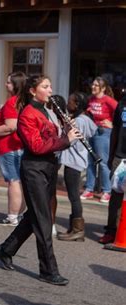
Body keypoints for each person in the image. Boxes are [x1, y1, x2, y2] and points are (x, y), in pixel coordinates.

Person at [0, 75, 82, 286]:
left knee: (34, 215)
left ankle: (6, 248)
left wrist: (67, 130)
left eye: (50, 85)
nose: (50, 90)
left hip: (50, 167)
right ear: (33, 91)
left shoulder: (49, 110)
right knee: (43, 220)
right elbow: (37, 146)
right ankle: (48, 270)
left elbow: (52, 137)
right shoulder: (27, 114)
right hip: (34, 168)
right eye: (45, 86)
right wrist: (65, 140)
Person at [0, 72, 27, 226]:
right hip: (19, 146)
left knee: (13, 182)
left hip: (9, 147)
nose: (6, 84)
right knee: (20, 182)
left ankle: (12, 216)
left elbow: (10, 127)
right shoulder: (23, 101)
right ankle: (19, 215)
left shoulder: (12, 102)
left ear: (16, 85)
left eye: (9, 82)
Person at [56, 92, 97, 242]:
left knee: (74, 197)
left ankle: (78, 230)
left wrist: (65, 130)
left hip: (73, 160)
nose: (68, 104)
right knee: (73, 195)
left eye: (71, 102)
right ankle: (73, 228)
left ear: (77, 104)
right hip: (78, 160)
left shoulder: (79, 121)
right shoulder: (86, 119)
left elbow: (70, 141)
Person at [81, 77, 118, 203]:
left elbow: (120, 112)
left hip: (103, 133)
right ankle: (89, 188)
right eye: (93, 84)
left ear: (103, 88)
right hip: (91, 131)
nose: (93, 87)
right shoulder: (90, 99)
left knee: (102, 162)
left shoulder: (108, 100)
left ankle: (106, 190)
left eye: (96, 85)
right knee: (90, 161)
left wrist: (112, 124)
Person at [100, 94, 126, 244]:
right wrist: (111, 156)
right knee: (115, 197)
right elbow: (115, 130)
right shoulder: (122, 103)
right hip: (119, 156)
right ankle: (111, 230)